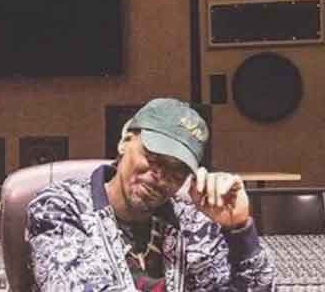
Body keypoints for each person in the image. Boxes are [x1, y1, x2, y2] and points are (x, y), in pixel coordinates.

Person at [27, 98, 275, 291]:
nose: (161, 176)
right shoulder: (59, 208)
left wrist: (239, 230)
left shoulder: (194, 224)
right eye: (153, 158)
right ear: (125, 141)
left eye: (177, 171)